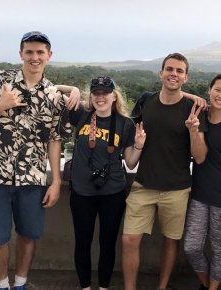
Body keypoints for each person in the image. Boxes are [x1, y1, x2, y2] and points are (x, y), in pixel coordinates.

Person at [0, 31, 74, 290]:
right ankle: (2, 285)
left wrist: (55, 181)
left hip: (34, 177)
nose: (34, 57)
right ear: (20, 54)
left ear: (49, 56)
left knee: (29, 235)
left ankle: (20, 284)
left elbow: (54, 140)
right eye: (29, 51)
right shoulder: (0, 83)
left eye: (40, 52)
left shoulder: (53, 96)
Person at [122, 53, 207, 290]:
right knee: (129, 239)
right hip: (143, 184)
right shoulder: (145, 101)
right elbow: (129, 130)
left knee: (171, 242)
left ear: (186, 77)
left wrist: (192, 131)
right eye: (170, 69)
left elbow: (199, 157)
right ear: (161, 72)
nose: (174, 74)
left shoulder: (193, 109)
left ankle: (162, 287)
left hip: (177, 188)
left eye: (180, 71)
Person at [59, 77, 145, 290]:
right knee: (83, 241)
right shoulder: (80, 114)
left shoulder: (125, 124)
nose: (100, 97)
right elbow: (50, 88)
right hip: (82, 191)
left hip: (113, 192)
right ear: (91, 96)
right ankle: (86, 286)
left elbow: (131, 161)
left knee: (107, 244)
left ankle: (104, 287)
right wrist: (72, 89)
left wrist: (139, 146)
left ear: (114, 96)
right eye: (96, 93)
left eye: (105, 93)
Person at [183, 73, 221, 290]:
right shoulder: (199, 116)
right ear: (209, 90)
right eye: (217, 89)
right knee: (191, 247)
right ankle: (207, 284)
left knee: (219, 248)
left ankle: (212, 288)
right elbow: (199, 157)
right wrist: (193, 131)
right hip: (200, 195)